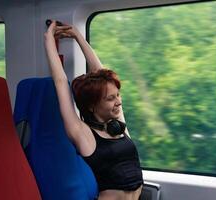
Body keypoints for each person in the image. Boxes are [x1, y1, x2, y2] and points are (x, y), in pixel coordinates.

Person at [44, 20, 143, 200]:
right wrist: (48, 39)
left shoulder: (118, 124)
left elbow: (101, 71)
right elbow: (60, 82)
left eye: (118, 95)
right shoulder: (82, 133)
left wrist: (77, 35)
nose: (119, 102)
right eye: (111, 98)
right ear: (92, 106)